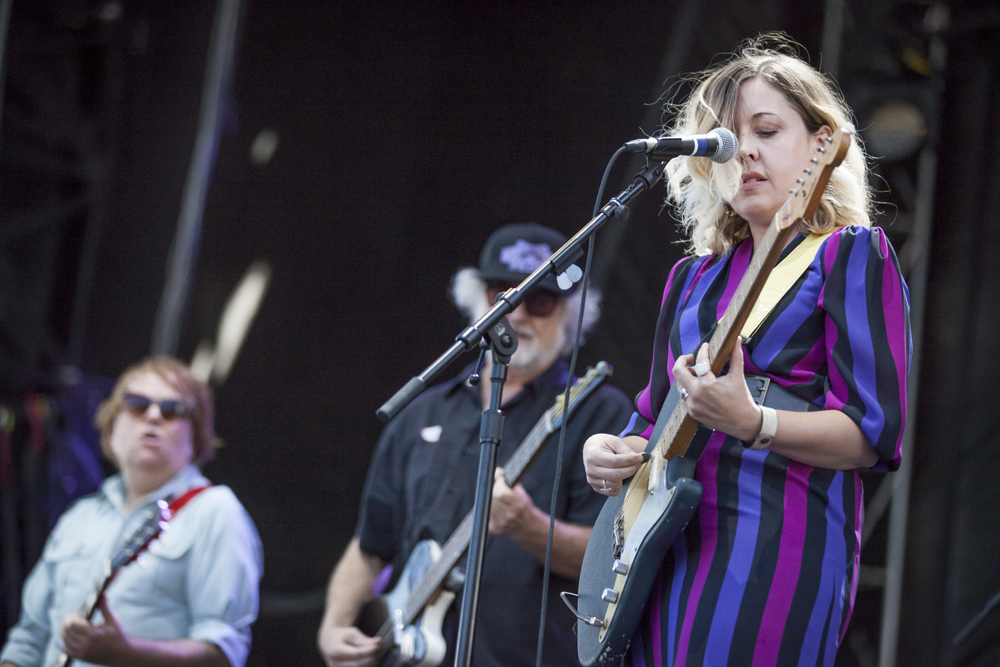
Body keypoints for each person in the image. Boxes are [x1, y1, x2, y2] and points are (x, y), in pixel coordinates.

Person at [582, 35, 911, 666]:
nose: (747, 153)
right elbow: (655, 412)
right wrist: (612, 449)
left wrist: (754, 422)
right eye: (728, 139)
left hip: (774, 541)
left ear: (822, 146)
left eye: (767, 130)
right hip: (658, 548)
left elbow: (874, 434)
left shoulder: (850, 254)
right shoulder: (691, 278)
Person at [317, 223, 635, 667]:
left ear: (572, 313)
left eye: (540, 301)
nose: (518, 314)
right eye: (502, 296)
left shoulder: (601, 415)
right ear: (476, 300)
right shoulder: (423, 414)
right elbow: (372, 542)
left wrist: (529, 527)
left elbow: (613, 559)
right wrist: (335, 624)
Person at [0, 357, 263, 667]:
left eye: (172, 410)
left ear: (195, 437)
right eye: (137, 405)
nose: (153, 415)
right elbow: (28, 642)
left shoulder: (215, 511)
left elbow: (223, 654)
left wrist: (126, 653)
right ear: (111, 427)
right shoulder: (80, 516)